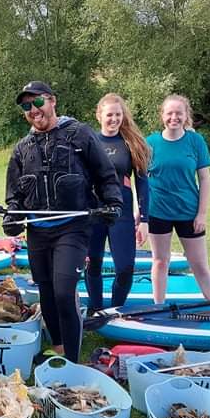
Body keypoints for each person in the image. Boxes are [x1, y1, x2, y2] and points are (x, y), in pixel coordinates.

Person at [3, 81, 122, 363]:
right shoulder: (22, 149)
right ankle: (57, 347)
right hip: (38, 231)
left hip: (73, 227)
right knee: (45, 292)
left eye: (38, 102)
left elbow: (105, 174)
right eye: (26, 106)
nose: (33, 110)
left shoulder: (79, 135)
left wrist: (113, 203)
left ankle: (71, 360)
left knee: (63, 292)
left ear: (52, 101)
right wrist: (12, 216)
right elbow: (15, 194)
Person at [146, 94, 210, 304]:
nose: (173, 117)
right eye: (169, 113)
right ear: (162, 116)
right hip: (157, 211)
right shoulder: (150, 142)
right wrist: (139, 212)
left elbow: (204, 178)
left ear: (186, 116)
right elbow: (141, 179)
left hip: (189, 212)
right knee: (160, 261)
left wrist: (202, 213)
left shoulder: (195, 141)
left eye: (178, 113)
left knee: (199, 263)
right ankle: (158, 305)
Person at [85, 94, 150, 312]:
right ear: (99, 115)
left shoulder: (131, 144)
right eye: (109, 114)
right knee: (92, 263)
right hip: (93, 212)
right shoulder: (88, 142)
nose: (114, 119)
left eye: (118, 114)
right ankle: (95, 309)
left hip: (120, 213)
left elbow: (142, 184)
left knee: (125, 268)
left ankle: (115, 310)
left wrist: (144, 219)